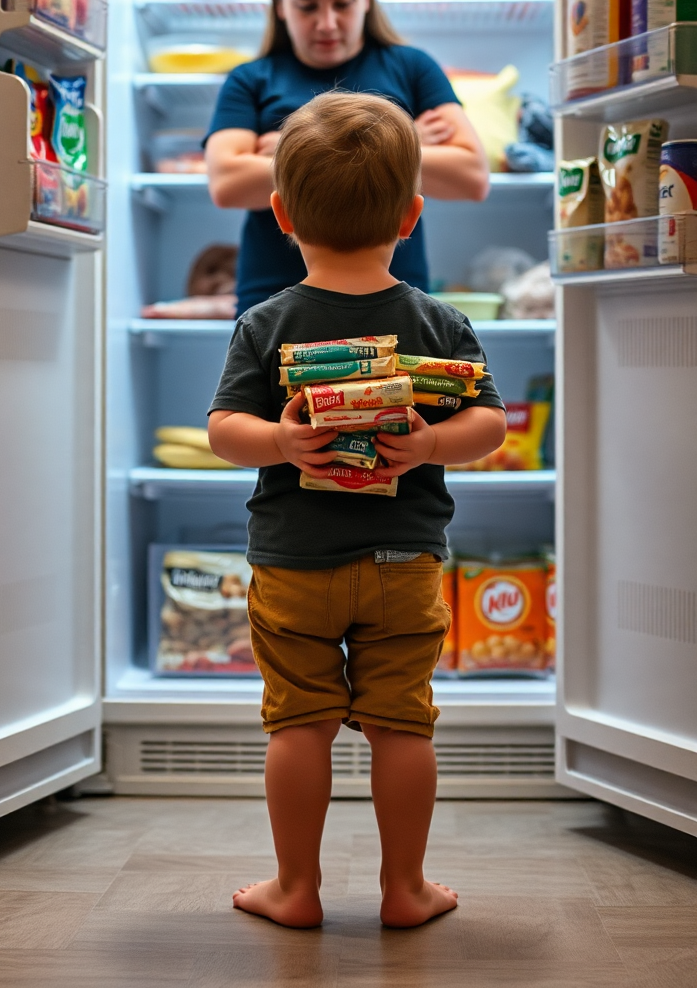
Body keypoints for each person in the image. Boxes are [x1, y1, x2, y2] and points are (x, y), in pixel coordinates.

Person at [207, 92, 506, 929]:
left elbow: (224, 430)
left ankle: (295, 889)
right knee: (401, 724)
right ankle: (403, 890)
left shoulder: (265, 323)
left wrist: (282, 442)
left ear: (280, 214)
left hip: (294, 563)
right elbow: (489, 422)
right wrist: (429, 445)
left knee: (298, 725)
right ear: (413, 215)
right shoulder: (437, 320)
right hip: (402, 564)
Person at [205, 0, 489, 315]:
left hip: (394, 302)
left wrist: (283, 153)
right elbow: (227, 184)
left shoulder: (413, 68)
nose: (327, 23)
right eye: (307, 6)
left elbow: (472, 176)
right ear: (280, 3)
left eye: (343, 3)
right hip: (275, 306)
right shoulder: (249, 80)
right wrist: (401, 141)